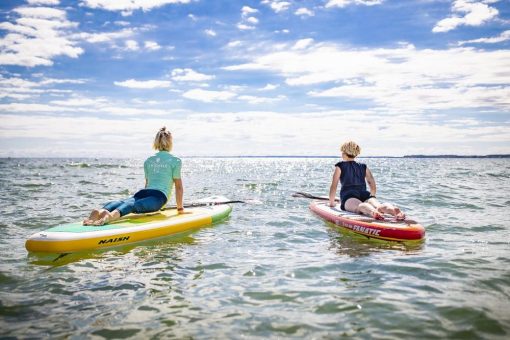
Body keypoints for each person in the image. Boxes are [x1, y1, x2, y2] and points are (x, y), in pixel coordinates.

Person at [83, 127, 184, 226]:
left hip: (143, 193)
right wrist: (180, 209)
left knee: (124, 201)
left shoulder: (149, 160)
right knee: (134, 205)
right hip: (159, 197)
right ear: (170, 142)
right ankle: (110, 217)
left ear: (156, 142)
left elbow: (147, 184)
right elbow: (178, 187)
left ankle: (100, 211)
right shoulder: (175, 161)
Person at [328, 141, 405, 221]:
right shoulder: (363, 166)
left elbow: (334, 185)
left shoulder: (340, 166)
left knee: (359, 206)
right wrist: (372, 196)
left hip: (349, 196)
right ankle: (392, 209)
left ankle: (372, 212)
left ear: (344, 153)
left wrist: (331, 203)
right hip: (364, 194)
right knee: (378, 205)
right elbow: (371, 182)